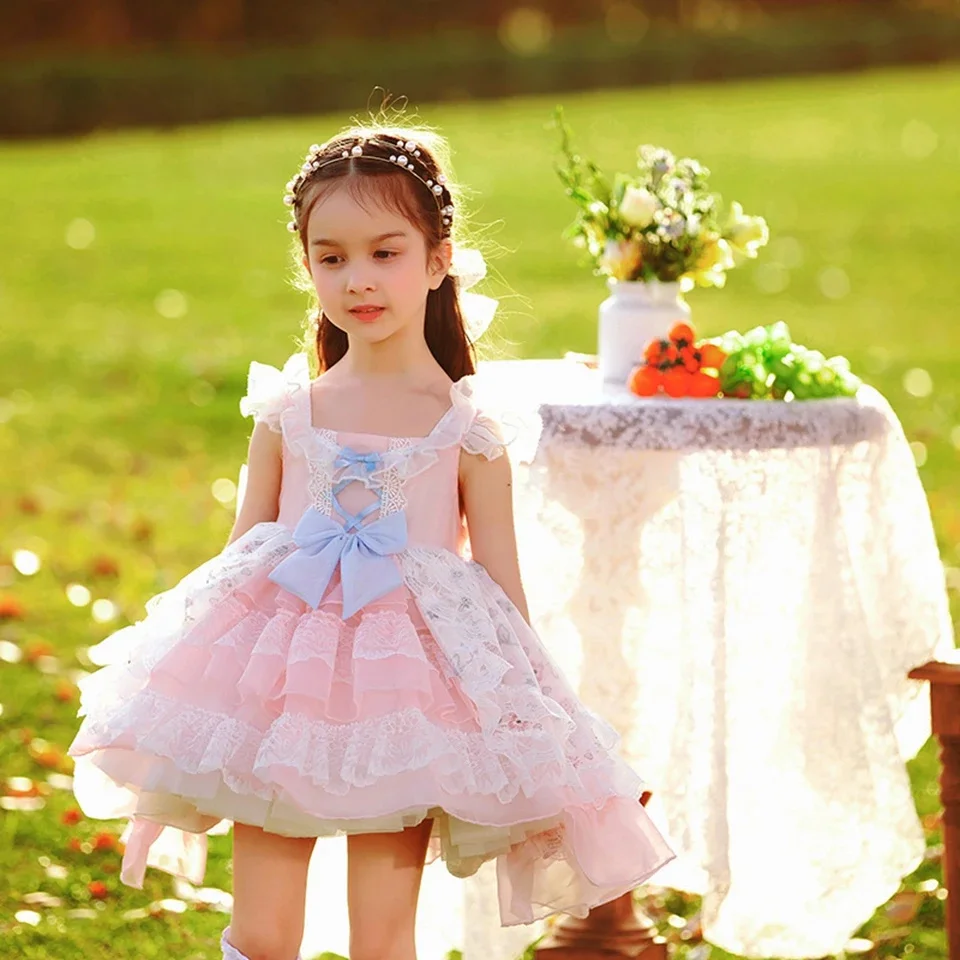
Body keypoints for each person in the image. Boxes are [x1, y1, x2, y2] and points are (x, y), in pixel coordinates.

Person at [68, 120, 675, 960]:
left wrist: (550, 726)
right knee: (263, 932)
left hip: (407, 704)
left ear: (438, 259)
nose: (359, 279)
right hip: (278, 696)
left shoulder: (468, 431)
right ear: (308, 266)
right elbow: (238, 563)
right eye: (333, 257)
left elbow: (503, 596)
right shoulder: (289, 414)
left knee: (383, 940)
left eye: (385, 253)